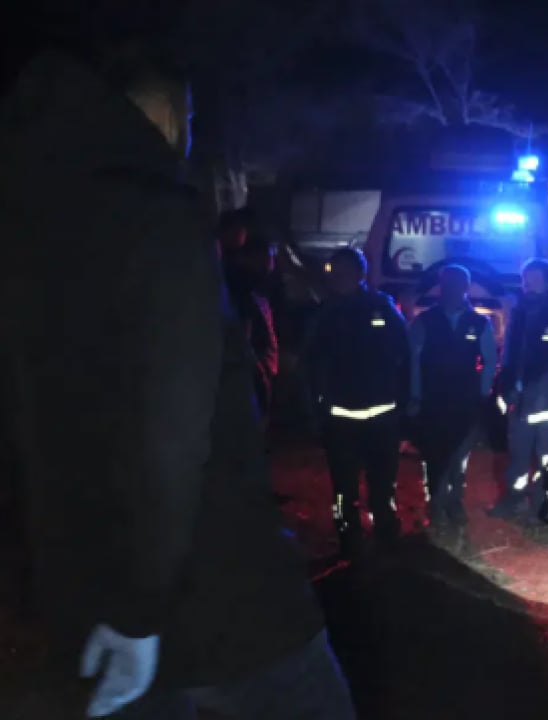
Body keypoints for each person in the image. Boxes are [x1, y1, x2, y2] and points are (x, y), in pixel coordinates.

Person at [0, 47, 354, 719]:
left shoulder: (31, 226)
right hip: (212, 599)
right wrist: (138, 611)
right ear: (164, 114)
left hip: (88, 595)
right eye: (188, 117)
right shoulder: (154, 218)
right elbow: (166, 434)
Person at [301, 247, 410, 555]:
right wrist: (314, 410)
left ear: (360, 273)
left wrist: (405, 405)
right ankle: (349, 536)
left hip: (382, 416)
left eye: (345, 271)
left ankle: (386, 531)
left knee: (382, 483)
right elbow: (310, 364)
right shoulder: (324, 314)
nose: (339, 278)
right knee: (344, 486)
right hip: (340, 418)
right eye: (335, 272)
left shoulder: (383, 308)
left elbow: (404, 357)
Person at [409, 264, 497, 527]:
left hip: (465, 400)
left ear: (466, 287)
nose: (452, 289)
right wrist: (415, 395)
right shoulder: (425, 321)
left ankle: (455, 501)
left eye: (458, 284)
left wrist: (483, 393)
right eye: (447, 284)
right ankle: (435, 503)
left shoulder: (480, 322)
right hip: (433, 400)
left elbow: (490, 360)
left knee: (459, 455)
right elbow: (413, 360)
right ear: (441, 286)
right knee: (434, 455)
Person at [489, 258, 548, 520]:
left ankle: (541, 506)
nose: (528, 285)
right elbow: (511, 354)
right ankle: (513, 500)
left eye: (535, 279)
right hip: (521, 401)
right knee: (518, 456)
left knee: (547, 458)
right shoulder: (520, 311)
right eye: (526, 279)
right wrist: (505, 386)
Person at [222, 216, 279, 423]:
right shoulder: (241, 288)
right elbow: (244, 338)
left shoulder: (256, 288)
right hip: (247, 375)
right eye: (269, 255)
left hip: (255, 373)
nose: (272, 261)